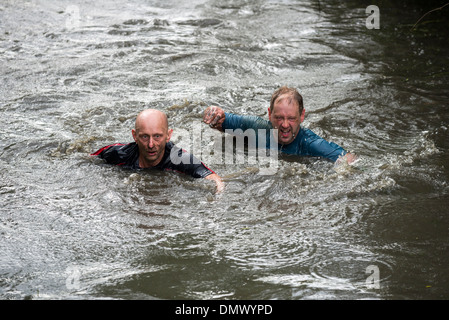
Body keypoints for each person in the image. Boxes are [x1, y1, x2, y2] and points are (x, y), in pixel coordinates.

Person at [203, 86, 356, 164]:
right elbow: (221, 119)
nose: (284, 125)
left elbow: (351, 161)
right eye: (278, 118)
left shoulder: (312, 145)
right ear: (269, 114)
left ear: (302, 116)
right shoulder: (256, 128)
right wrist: (213, 113)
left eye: (291, 118)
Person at [91, 108, 224, 193]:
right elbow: (86, 160)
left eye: (157, 136)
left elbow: (213, 178)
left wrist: (217, 198)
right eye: (144, 136)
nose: (151, 144)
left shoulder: (179, 158)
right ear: (134, 136)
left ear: (168, 135)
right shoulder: (118, 154)